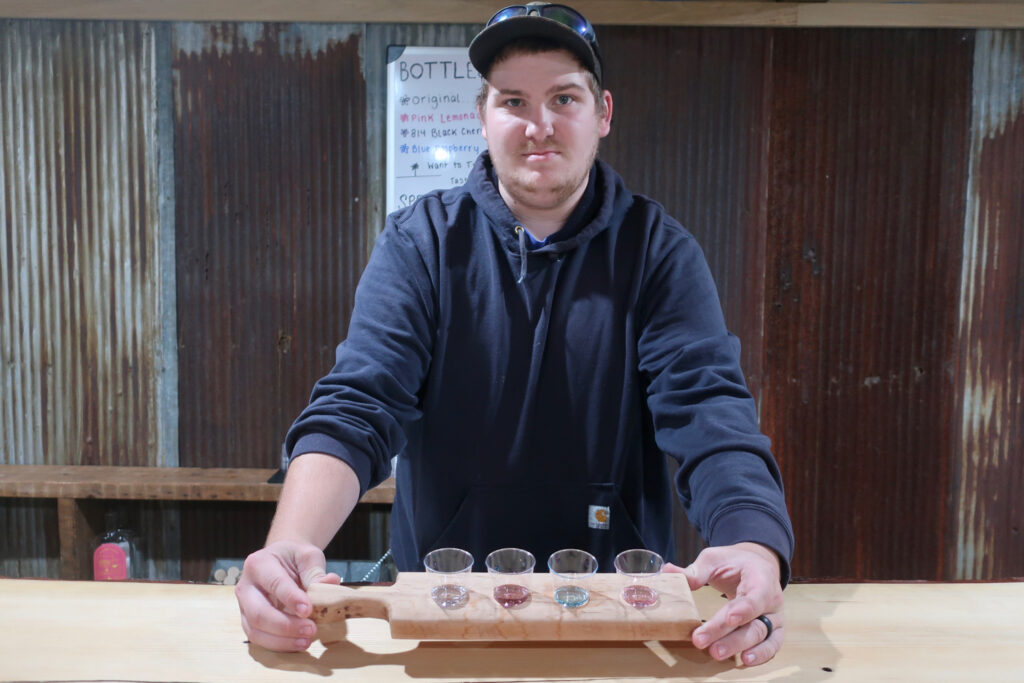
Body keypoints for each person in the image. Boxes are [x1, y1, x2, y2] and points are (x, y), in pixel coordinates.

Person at [235, 1, 794, 667]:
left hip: (621, 617)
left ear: (603, 112)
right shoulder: (423, 244)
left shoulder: (657, 252)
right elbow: (360, 403)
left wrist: (755, 544)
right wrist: (288, 544)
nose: (539, 125)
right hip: (445, 613)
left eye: (564, 96)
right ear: (483, 117)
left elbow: (711, 412)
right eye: (513, 101)